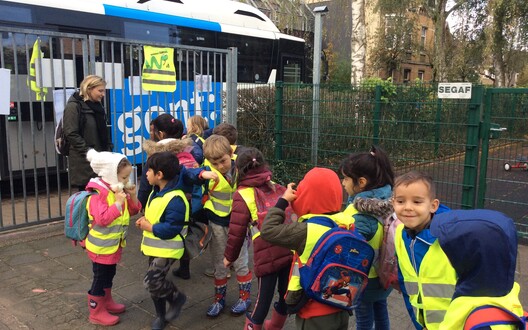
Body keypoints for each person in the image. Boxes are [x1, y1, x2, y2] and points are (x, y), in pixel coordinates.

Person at [261, 167, 351, 330]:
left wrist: (283, 201)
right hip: (341, 306)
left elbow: (268, 230)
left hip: (314, 313)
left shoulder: (306, 230)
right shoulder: (347, 224)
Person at [135, 152, 210, 329]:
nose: (145, 174)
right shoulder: (157, 191)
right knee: (155, 283)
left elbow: (172, 228)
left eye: (148, 171)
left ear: (159, 175)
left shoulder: (176, 198)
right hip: (155, 247)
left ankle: (177, 299)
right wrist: (146, 219)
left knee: (151, 281)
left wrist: (149, 227)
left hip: (168, 248)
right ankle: (161, 316)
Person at [223, 147, 292, 330]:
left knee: (262, 300)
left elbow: (236, 232)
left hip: (267, 254)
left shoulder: (242, 194)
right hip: (288, 248)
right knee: (285, 294)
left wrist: (229, 257)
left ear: (237, 170)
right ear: (263, 166)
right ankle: (275, 326)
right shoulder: (276, 186)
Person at [185, 135, 252, 318]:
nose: (220, 166)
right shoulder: (207, 169)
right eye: (215, 163)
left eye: (223, 161)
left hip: (239, 223)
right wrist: (201, 174)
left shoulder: (242, 167)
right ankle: (219, 298)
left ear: (230, 153)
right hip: (217, 222)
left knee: (240, 259)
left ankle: (245, 296)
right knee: (219, 261)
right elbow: (186, 173)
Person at [431, 209, 525, 330]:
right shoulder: (499, 290)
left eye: (452, 250)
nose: (446, 253)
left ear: (471, 259)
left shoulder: (484, 326)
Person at [339, 146, 395, 330]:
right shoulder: (387, 199)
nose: (343, 183)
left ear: (361, 182)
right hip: (383, 273)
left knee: (363, 319)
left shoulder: (363, 214)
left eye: (346, 178)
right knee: (380, 311)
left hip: (365, 278)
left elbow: (351, 245)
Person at [84, 149, 141, 326]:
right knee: (99, 278)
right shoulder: (97, 194)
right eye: (123, 178)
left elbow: (133, 211)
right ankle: (96, 311)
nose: (126, 181)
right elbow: (102, 219)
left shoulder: (116, 189)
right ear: (110, 175)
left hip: (113, 245)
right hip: (101, 247)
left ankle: (106, 301)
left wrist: (132, 195)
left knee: (109, 274)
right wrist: (117, 203)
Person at [138, 114, 199, 281]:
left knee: (163, 231)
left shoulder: (156, 156)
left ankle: (157, 275)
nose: (151, 134)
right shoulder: (188, 150)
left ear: (161, 134)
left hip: (164, 202)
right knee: (183, 231)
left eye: (153, 131)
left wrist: (141, 204)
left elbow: (145, 184)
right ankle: (184, 268)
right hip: (188, 201)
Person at [392, 171, 454, 330]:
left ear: (433, 206)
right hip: (423, 323)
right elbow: (407, 283)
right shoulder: (400, 234)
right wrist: (418, 322)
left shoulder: (450, 238)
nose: (407, 208)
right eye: (400, 201)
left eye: (417, 202)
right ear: (393, 203)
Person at [63, 75, 112, 191]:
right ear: (89, 89)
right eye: (100, 91)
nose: (103, 94)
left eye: (103, 91)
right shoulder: (74, 106)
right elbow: (71, 133)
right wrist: (90, 152)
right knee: (88, 199)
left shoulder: (96, 106)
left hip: (99, 160)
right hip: (84, 163)